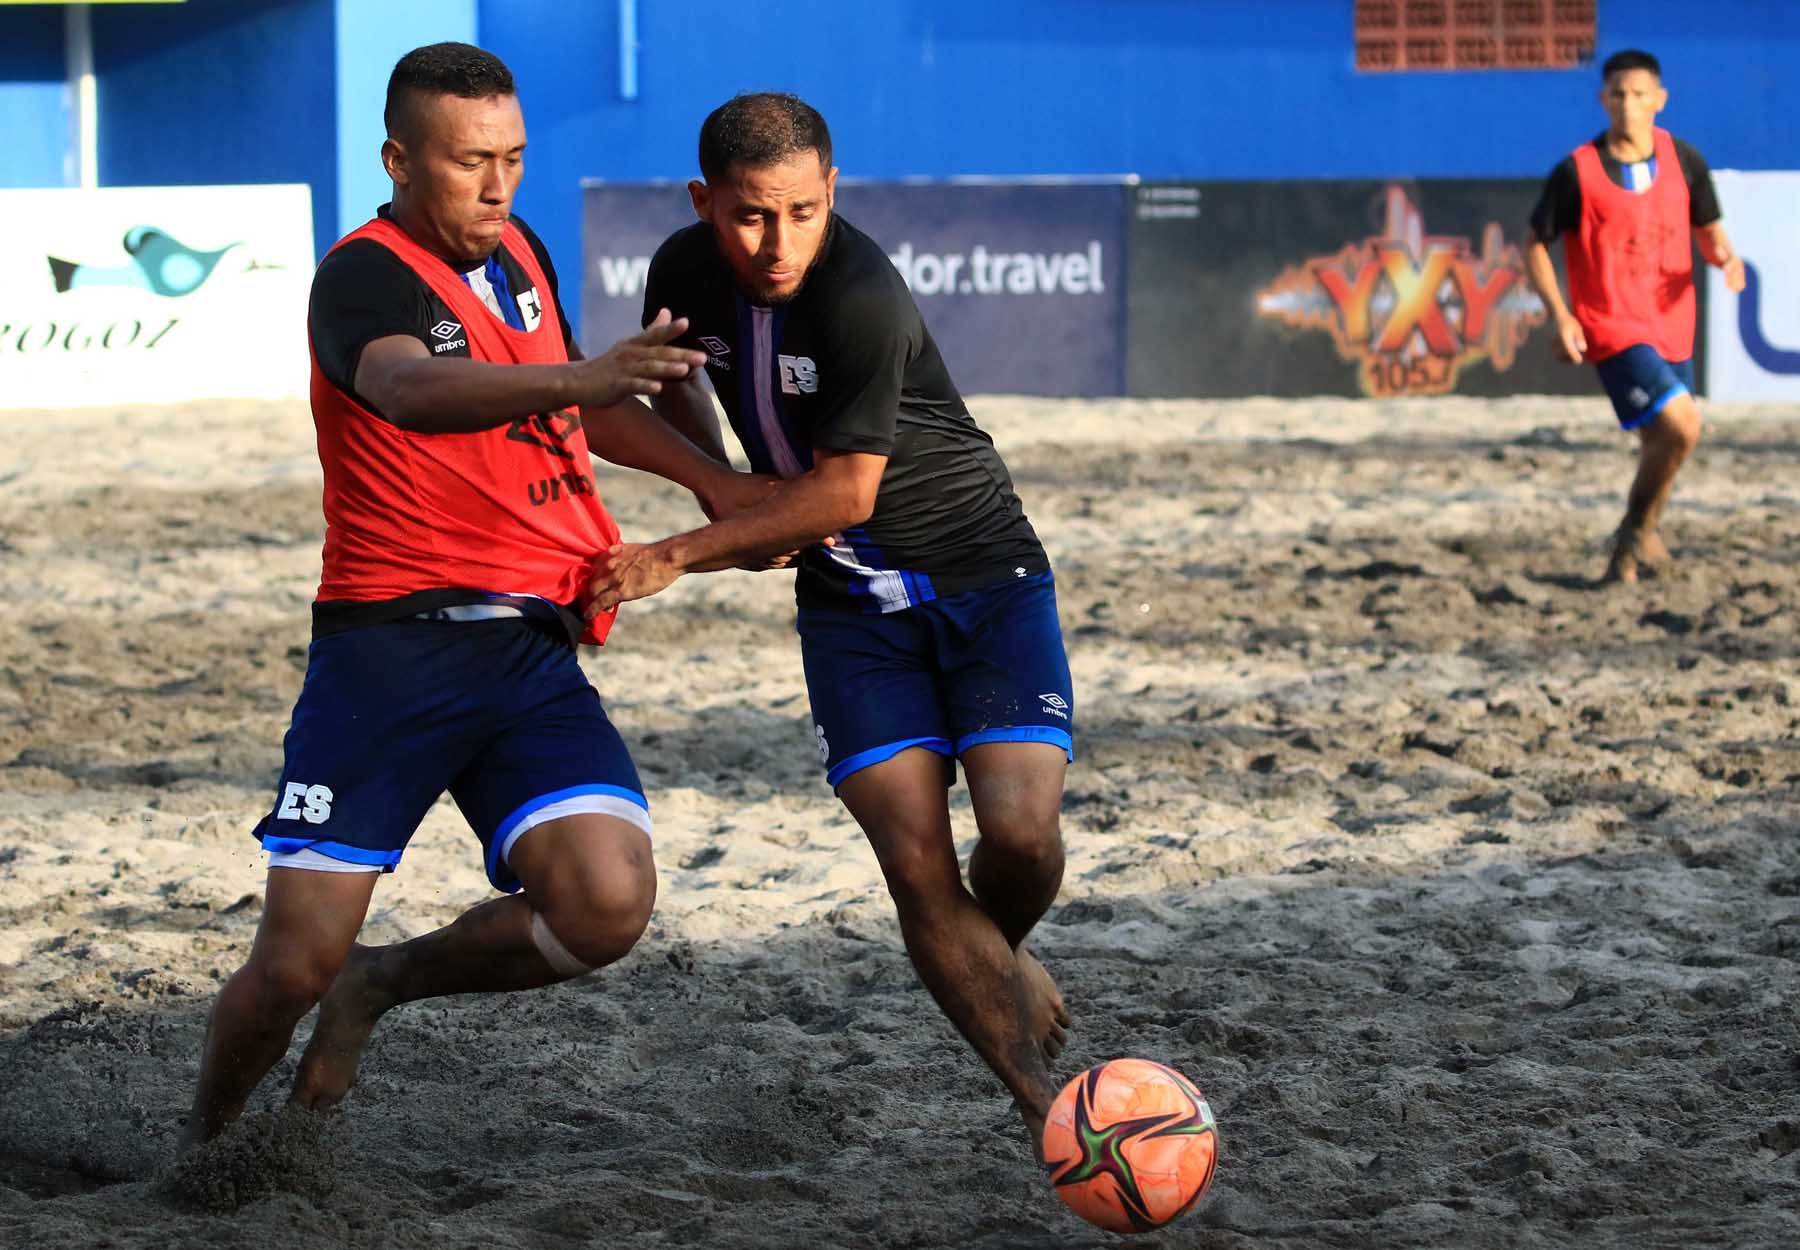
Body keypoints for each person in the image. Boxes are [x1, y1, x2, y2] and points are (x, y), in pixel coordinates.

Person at [180, 42, 767, 1145]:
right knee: (290, 963)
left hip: (527, 647)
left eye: (513, 157)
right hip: (388, 651)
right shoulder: (363, 272)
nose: (498, 185)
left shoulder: (521, 248)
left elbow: (584, 404)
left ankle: (380, 983)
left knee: (606, 901)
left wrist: (723, 485)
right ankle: (202, 1147)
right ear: (400, 159)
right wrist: (579, 375)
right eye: (468, 162)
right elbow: (409, 387)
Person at [585, 93, 1075, 1160]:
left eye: (804, 211)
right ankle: (1049, 1112)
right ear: (704, 200)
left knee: (1023, 835)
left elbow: (847, 494)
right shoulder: (681, 269)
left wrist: (673, 552)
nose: (778, 242)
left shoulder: (860, 292)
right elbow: (624, 397)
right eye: (753, 215)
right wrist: (722, 486)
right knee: (916, 866)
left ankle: (999, 952)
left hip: (983, 576)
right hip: (850, 610)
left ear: (833, 191)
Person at [1524, 48, 1745, 585]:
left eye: (1639, 94)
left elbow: (1709, 231)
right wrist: (1563, 315)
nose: (1628, 105)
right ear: (1603, 100)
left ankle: (1630, 549)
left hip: (1673, 322)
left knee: (1660, 443)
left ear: (1659, 100)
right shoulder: (1576, 171)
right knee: (1683, 426)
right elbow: (1534, 243)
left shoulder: (1684, 160)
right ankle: (1634, 530)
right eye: (1618, 94)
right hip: (1612, 325)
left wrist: (1727, 258)